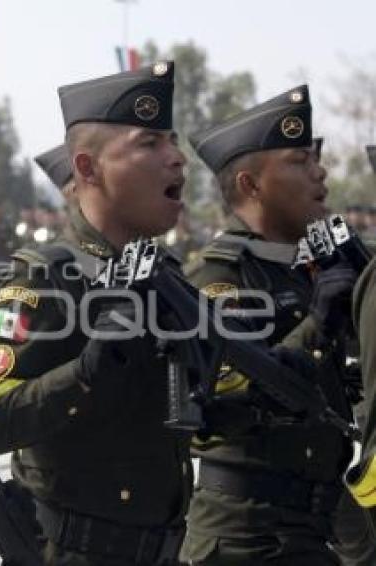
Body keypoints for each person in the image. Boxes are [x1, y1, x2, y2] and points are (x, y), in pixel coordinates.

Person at [0, 61, 193, 565]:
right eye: (150, 143)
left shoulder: (166, 278)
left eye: (172, 141)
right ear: (87, 169)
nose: (176, 158)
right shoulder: (46, 280)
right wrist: (84, 376)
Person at [181, 86, 356, 565]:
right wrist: (317, 327)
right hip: (245, 538)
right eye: (300, 160)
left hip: (314, 526)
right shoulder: (220, 277)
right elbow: (219, 396)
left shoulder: (306, 271)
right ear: (251, 185)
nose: (320, 171)